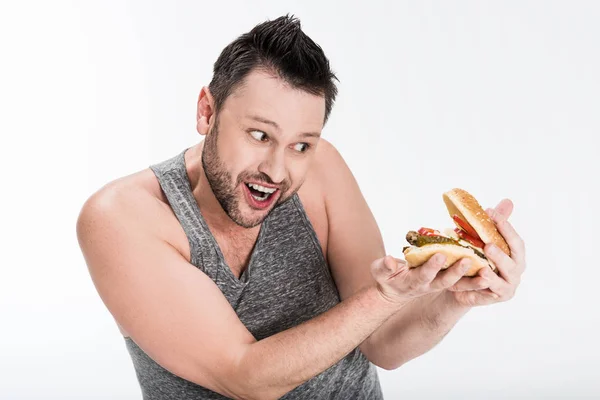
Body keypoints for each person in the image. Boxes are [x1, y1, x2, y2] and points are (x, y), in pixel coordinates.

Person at [76, 14, 526, 400]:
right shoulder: (122, 217)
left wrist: (454, 294)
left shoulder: (323, 167)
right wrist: (388, 294)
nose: (276, 169)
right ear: (207, 112)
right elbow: (244, 377)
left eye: (300, 144)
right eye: (259, 135)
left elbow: (384, 344)